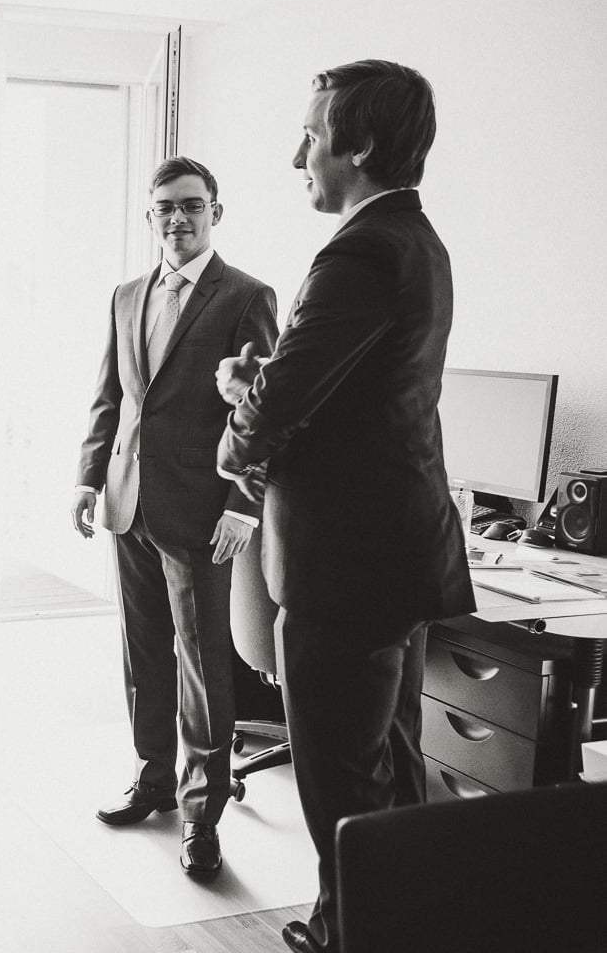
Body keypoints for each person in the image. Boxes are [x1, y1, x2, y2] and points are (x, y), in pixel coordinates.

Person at [214, 60, 474, 953]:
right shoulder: (417, 240)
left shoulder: (360, 248)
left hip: (347, 565)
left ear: (357, 146)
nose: (299, 155)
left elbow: (287, 400)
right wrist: (263, 383)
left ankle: (350, 933)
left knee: (341, 786)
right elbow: (343, 388)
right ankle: (390, 924)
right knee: (393, 770)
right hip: (399, 557)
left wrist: (236, 433)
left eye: (313, 136)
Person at [71, 156, 278, 876]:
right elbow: (110, 398)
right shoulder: (127, 294)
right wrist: (88, 478)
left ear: (215, 211)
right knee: (143, 655)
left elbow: (265, 412)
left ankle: (202, 816)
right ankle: (154, 778)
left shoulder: (247, 295)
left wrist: (244, 507)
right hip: (128, 502)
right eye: (164, 208)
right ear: (150, 216)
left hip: (200, 512)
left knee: (202, 668)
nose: (178, 218)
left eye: (192, 205)